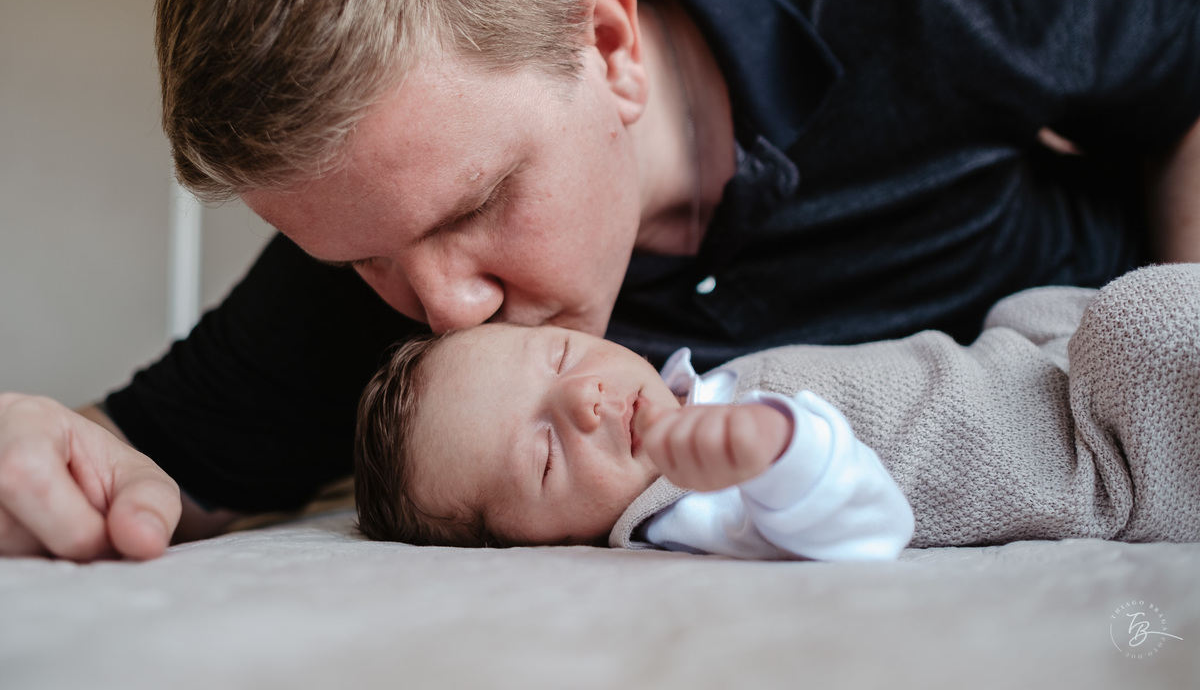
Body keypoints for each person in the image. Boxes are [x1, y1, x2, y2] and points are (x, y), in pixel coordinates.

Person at [2, 0, 1199, 561]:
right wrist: (34, 453)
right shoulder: (386, 265)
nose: (443, 309)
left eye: (474, 207)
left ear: (612, 47)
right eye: (360, 258)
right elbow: (125, 455)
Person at [355, 264, 1200, 556]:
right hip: (1087, 454)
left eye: (560, 357)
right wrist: (783, 455)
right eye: (541, 457)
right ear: (526, 547)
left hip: (1024, 367)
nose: (584, 400)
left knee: (1069, 311)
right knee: (1147, 322)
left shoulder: (689, 397)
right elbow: (866, 528)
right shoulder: (687, 510)